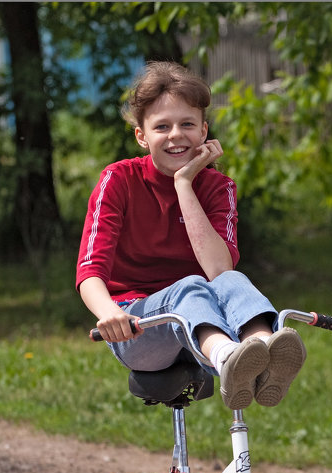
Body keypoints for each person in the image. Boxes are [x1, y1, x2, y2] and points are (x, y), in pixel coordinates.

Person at [76, 61, 306, 409]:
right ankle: (230, 360)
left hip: (204, 322)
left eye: (187, 124)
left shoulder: (218, 187)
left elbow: (218, 269)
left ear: (203, 131)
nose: (176, 135)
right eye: (162, 126)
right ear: (142, 136)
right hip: (138, 327)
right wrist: (109, 313)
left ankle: (265, 355)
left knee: (231, 281)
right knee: (190, 287)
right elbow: (90, 267)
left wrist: (184, 184)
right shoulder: (118, 180)